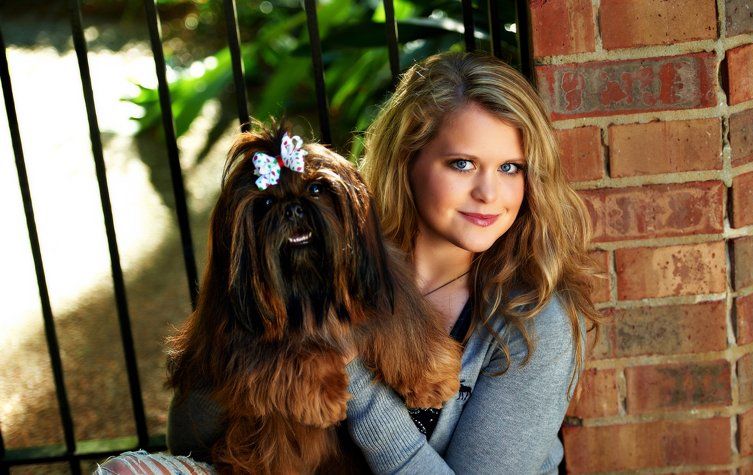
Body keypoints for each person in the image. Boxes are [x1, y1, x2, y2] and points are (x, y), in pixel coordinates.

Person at [96, 50, 601, 474]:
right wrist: (252, 333)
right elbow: (191, 432)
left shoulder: (531, 322)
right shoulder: (322, 244)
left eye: (510, 168)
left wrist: (349, 371)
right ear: (408, 158)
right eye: (462, 163)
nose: (489, 193)